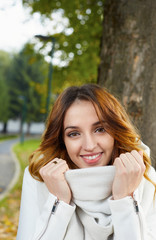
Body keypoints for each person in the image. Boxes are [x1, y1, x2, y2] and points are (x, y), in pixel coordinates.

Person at [17, 84, 156, 240]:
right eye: (74, 134)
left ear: (116, 131)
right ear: (62, 140)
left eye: (100, 129)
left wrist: (125, 200)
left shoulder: (140, 174)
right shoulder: (39, 177)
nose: (89, 146)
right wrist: (59, 203)